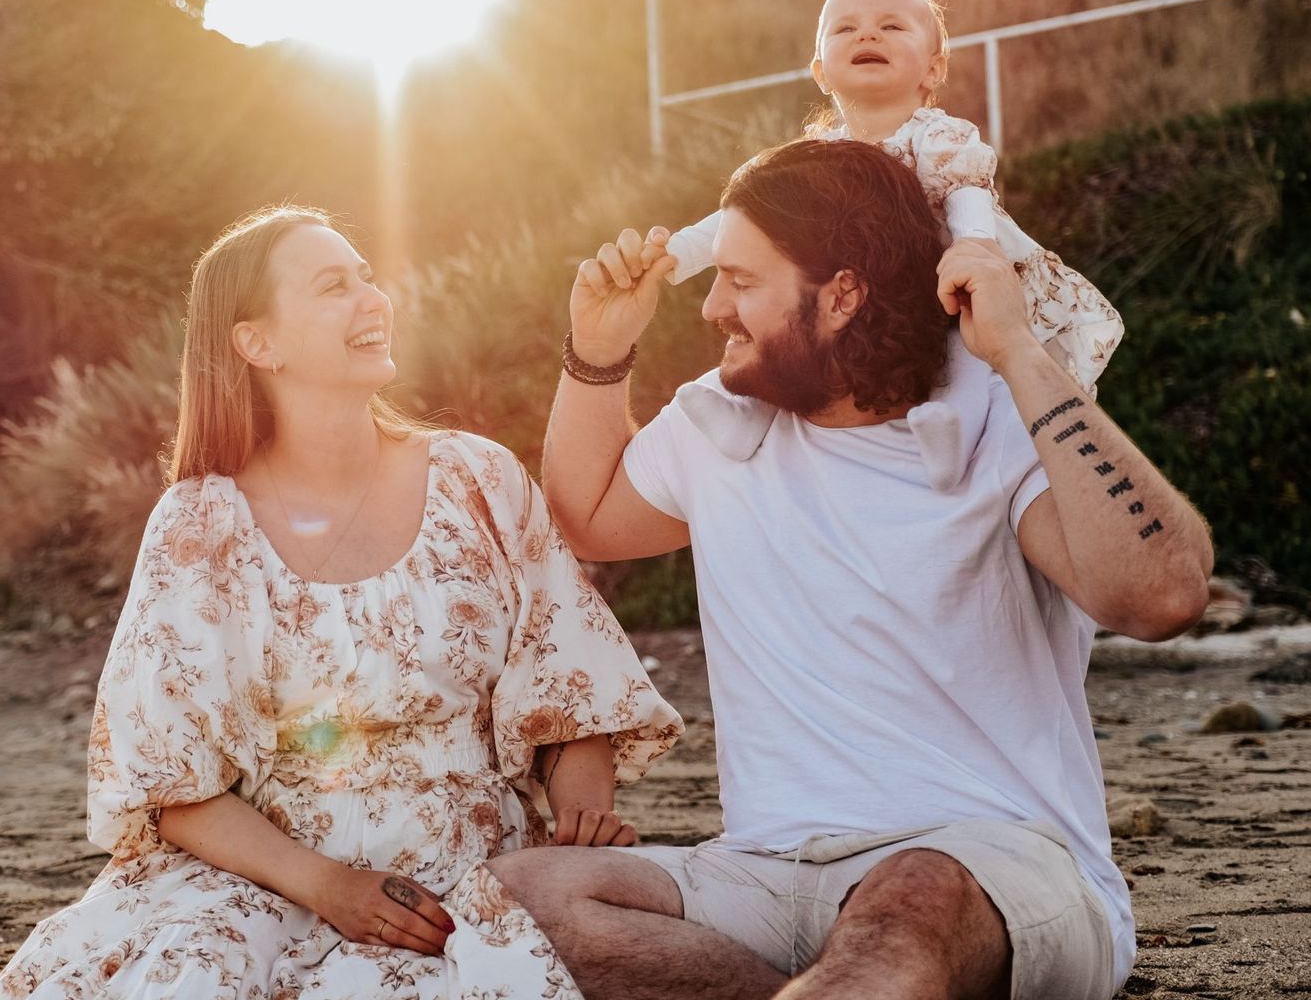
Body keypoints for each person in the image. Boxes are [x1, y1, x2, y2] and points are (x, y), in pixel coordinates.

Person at [493, 139, 1212, 999]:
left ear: (841, 294)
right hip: (769, 873)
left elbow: (1161, 593)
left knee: (909, 902)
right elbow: (591, 516)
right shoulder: (720, 423)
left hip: (984, 863)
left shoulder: (990, 419)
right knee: (518, 905)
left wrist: (1021, 352)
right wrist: (598, 349)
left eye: (743, 282)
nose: (713, 306)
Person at [0, 204, 684, 999]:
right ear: (257, 342)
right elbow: (171, 786)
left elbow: (572, 692)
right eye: (332, 287)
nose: (371, 300)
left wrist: (580, 817)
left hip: (477, 873)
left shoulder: (477, 480)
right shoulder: (201, 525)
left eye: (367, 278)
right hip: (269, 879)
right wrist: (329, 888)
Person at [659, 0, 1122, 396]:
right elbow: (746, 219)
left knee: (972, 365)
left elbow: (967, 194)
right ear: (821, 72)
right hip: (877, 299)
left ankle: (960, 438)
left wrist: (973, 246)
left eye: (893, 26)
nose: (867, 33)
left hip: (952, 283)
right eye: (845, 28)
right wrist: (676, 253)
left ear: (934, 68)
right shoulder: (819, 158)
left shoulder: (938, 137)